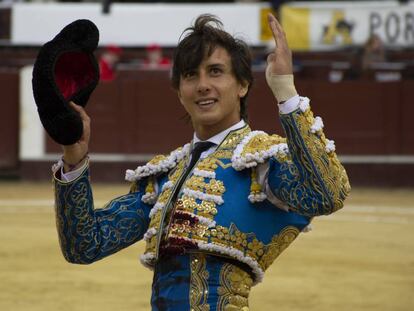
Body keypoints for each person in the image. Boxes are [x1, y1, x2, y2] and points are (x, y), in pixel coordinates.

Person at [53, 14, 350, 310]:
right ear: (179, 93)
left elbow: (328, 194)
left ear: (243, 85)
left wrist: (285, 91)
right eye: (191, 75)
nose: (203, 85)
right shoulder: (165, 177)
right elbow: (85, 244)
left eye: (216, 71)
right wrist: (74, 160)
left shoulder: (262, 162)